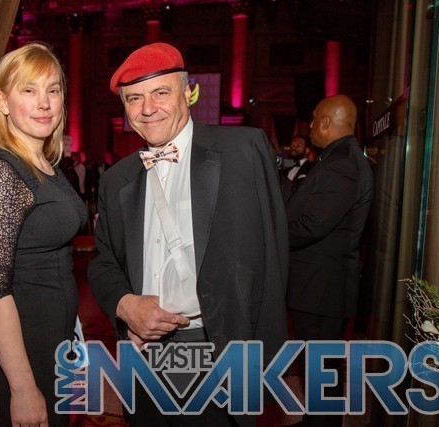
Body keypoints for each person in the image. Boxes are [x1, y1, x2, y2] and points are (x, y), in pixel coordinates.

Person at [87, 42, 288, 427]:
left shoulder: (242, 151)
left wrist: (264, 365)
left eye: (160, 92)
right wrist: (125, 305)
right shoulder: (116, 180)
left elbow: (273, 255)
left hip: (219, 349)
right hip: (143, 353)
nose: (148, 109)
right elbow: (103, 261)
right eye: (134, 99)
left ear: (188, 92)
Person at [0, 42, 87, 427]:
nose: (44, 103)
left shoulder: (46, 164)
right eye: (29, 90)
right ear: (2, 101)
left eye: (53, 90)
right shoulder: (0, 173)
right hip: (21, 354)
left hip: (56, 341)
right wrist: (22, 387)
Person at [284, 94, 373, 426]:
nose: (309, 126)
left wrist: (270, 237)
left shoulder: (342, 164)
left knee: (322, 371)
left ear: (325, 122)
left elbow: (312, 225)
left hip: (321, 289)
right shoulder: (338, 159)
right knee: (318, 369)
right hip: (319, 287)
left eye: (312, 120)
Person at [280, 134, 315, 201]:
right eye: (292, 145)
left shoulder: (311, 168)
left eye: (298, 145)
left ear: (307, 150)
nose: (294, 148)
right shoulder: (287, 167)